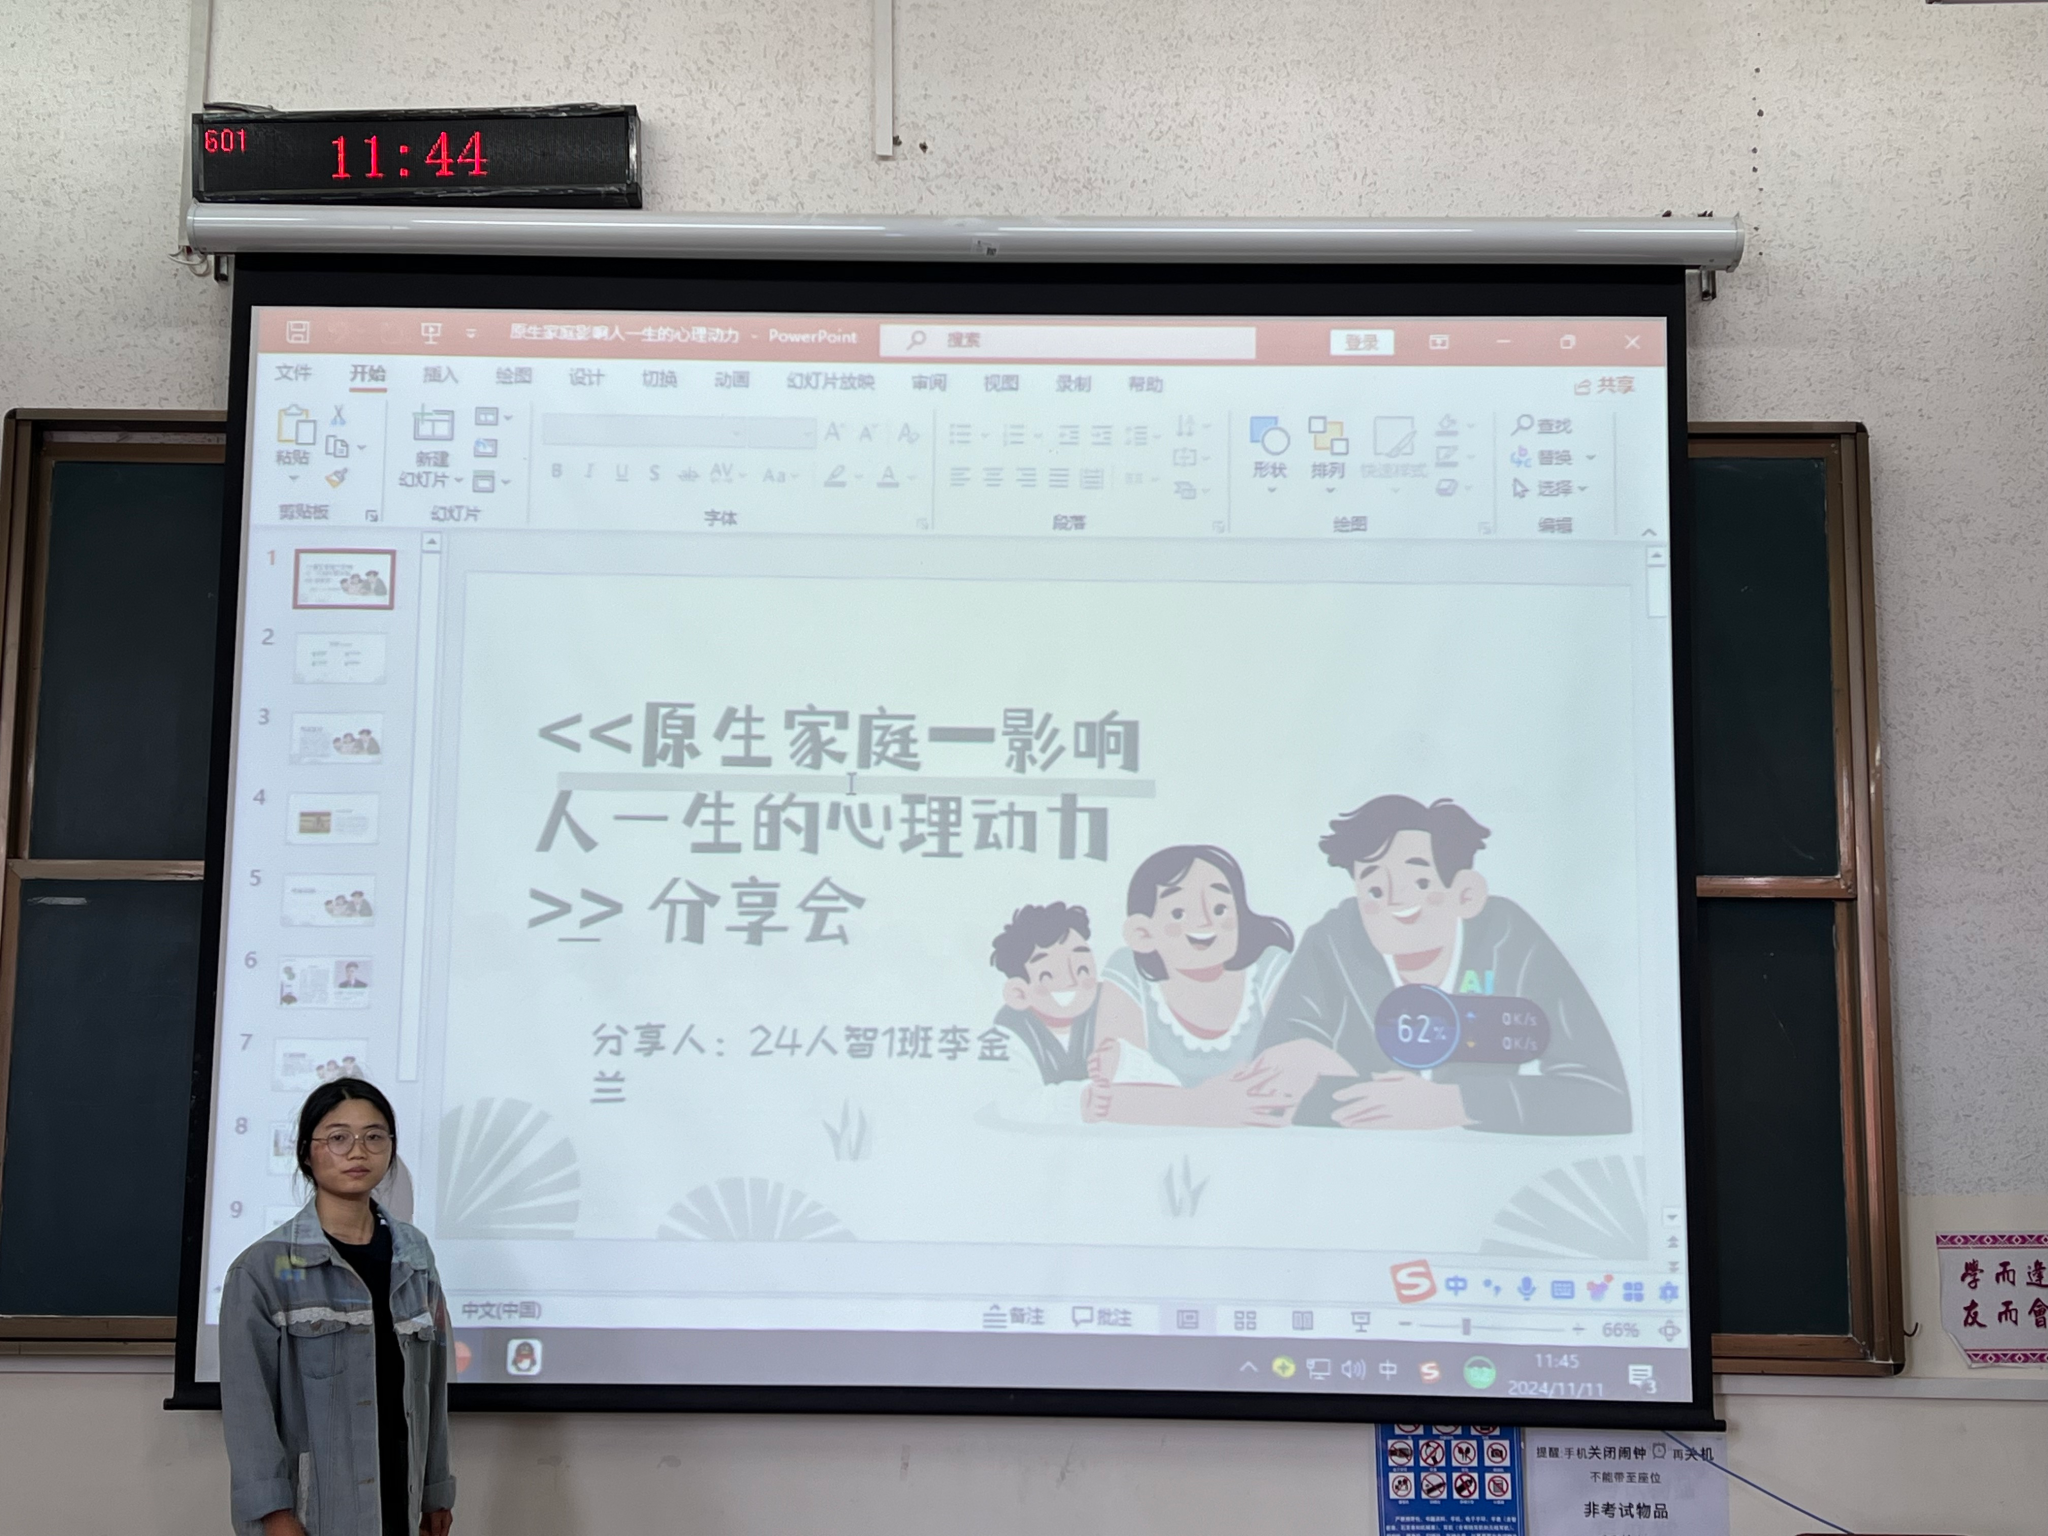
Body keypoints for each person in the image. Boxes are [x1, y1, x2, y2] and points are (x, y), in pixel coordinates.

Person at [1251, 795, 1631, 1134]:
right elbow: (1270, 1081)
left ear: (1465, 894)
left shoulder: (1509, 940)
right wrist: (1299, 1060)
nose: (1395, 902)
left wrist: (1456, 1103)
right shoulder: (1334, 940)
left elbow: (1602, 1096)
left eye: (1419, 882)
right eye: (1375, 889)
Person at [219, 1079, 456, 1536]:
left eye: (374, 1136)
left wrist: (436, 1490)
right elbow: (248, 1410)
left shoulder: (415, 1257)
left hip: (402, 1504)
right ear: (307, 1153)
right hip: (318, 1512)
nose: (358, 1151)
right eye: (338, 1137)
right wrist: (274, 1514)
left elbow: (433, 1387)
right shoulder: (265, 1268)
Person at [1087, 845, 1295, 1125]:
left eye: (1220, 909)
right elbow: (1108, 1097)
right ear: (1143, 932)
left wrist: (1167, 1105)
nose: (1205, 923)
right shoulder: (1129, 970)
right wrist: (1204, 1106)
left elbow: (1292, 1082)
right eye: (1178, 913)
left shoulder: (1269, 967)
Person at [988, 902, 1101, 1083]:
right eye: (1049, 976)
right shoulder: (1010, 1028)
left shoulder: (1108, 1002)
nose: (1072, 982)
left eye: (1082, 969)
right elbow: (1021, 1094)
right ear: (1019, 993)